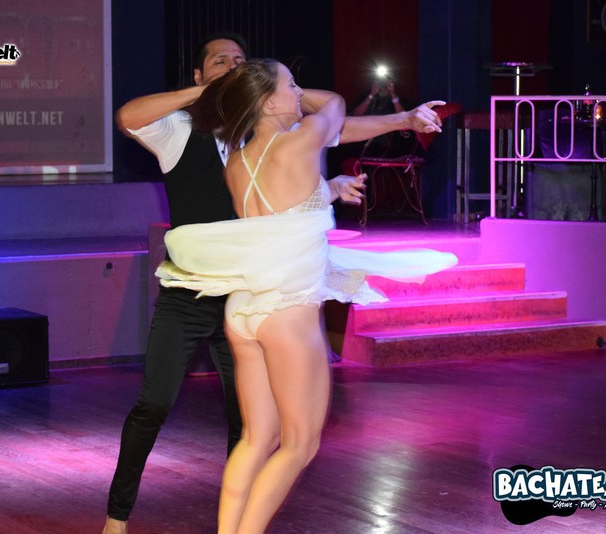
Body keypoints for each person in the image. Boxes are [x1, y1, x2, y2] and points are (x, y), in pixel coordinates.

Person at [104, 33, 446, 534]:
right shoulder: (223, 134)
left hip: (241, 305)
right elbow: (333, 108)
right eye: (290, 85)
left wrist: (387, 128)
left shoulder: (239, 156)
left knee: (253, 436)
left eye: (241, 63)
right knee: (297, 444)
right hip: (265, 307)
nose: (299, 91)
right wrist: (267, 87)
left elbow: (289, 200)